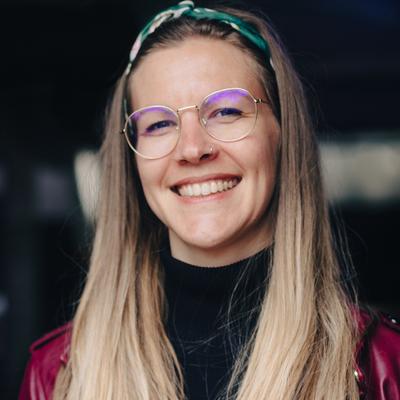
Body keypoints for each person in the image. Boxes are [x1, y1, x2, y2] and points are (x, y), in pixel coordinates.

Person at [19, 1, 400, 399]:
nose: (192, 148)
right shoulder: (56, 377)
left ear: (283, 133)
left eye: (226, 112)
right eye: (159, 124)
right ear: (132, 162)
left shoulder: (386, 365)